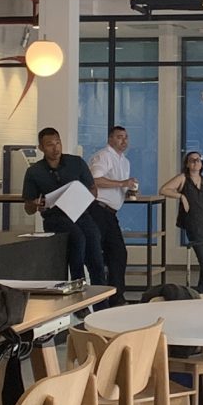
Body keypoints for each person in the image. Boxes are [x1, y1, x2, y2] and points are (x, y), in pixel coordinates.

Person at [20, 127, 107, 289]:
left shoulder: (76, 163)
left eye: (58, 143)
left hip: (80, 213)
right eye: (50, 145)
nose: (55, 148)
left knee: (94, 241)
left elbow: (93, 189)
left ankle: (102, 298)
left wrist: (83, 197)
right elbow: (29, 208)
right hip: (55, 217)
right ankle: (78, 285)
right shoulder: (34, 172)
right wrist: (35, 204)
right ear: (41, 148)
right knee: (77, 238)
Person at [162, 151, 203, 294]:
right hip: (195, 227)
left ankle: (202, 291)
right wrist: (181, 196)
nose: (196, 162)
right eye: (192, 160)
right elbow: (164, 190)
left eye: (198, 160)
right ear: (187, 164)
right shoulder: (183, 178)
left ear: (202, 164)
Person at [87, 122, 139, 294]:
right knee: (97, 253)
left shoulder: (125, 161)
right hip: (97, 209)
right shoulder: (103, 156)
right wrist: (123, 183)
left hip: (111, 212)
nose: (124, 141)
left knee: (118, 253)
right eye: (119, 137)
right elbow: (95, 180)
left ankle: (116, 295)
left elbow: (117, 186)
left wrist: (127, 190)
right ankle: (98, 294)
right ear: (110, 139)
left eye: (126, 137)